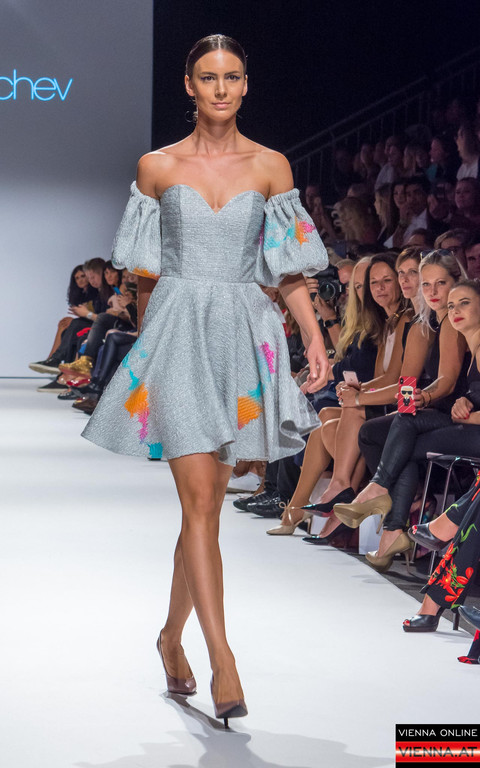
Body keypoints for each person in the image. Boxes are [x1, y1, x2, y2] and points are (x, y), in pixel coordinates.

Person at [81, 34, 329, 725]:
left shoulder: (271, 166)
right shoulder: (157, 167)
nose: (222, 89)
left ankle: (170, 637)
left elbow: (288, 268)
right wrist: (151, 342)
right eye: (209, 77)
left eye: (233, 77)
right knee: (197, 502)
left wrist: (313, 335)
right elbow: (143, 272)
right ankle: (224, 659)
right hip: (180, 335)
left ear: (246, 85)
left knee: (209, 507)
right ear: (189, 86)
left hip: (245, 338)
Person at [336, 250, 468, 571]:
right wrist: (372, 394)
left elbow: (445, 382)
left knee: (395, 432)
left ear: (456, 282)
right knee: (374, 433)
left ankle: (382, 502)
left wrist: (420, 397)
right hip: (429, 410)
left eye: (440, 283)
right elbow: (403, 380)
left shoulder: (448, 321)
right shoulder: (424, 320)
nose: (432, 291)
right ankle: (391, 523)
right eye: (426, 284)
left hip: (451, 412)